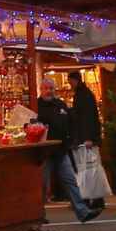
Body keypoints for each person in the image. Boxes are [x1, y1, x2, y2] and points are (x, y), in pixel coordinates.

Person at [58, 72, 105, 223]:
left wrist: (89, 138)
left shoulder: (82, 95)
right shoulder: (84, 94)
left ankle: (92, 199)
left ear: (75, 80)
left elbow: (86, 118)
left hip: (85, 138)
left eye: (70, 81)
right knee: (89, 169)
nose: (70, 84)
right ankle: (94, 199)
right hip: (85, 137)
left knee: (87, 169)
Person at [34, 76, 71, 204]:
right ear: (41, 89)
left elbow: (69, 122)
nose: (49, 91)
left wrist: (70, 140)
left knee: (70, 180)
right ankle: (40, 210)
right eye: (46, 88)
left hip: (61, 149)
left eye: (51, 88)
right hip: (45, 151)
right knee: (43, 182)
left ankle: (81, 209)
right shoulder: (36, 105)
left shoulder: (60, 104)